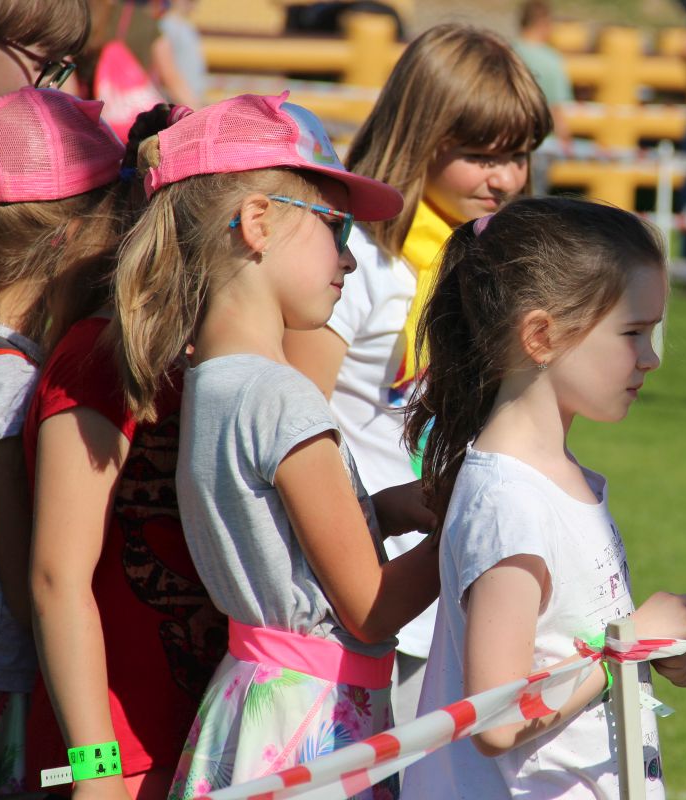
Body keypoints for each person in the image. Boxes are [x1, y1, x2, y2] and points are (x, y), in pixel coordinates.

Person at [108, 92, 438, 799]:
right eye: (336, 228)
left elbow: (279, 548)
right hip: (314, 727)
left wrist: (388, 510)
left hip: (254, 705)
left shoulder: (213, 380)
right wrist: (472, 522)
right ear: (257, 222)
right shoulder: (284, 397)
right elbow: (370, 608)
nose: (350, 260)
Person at [282, 23, 551, 730]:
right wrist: (380, 520)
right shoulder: (355, 263)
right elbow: (294, 421)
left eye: (519, 155)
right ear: (421, 136)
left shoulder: (485, 263)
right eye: (481, 155)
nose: (505, 178)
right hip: (367, 586)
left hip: (454, 577)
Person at [401, 197, 686, 799]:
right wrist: (628, 644)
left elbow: (564, 644)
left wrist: (653, 651)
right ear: (541, 335)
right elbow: (497, 718)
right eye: (633, 333)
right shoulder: (508, 501)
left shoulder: (560, 479)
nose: (651, 358)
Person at [23, 102, 228, 800]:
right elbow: (57, 577)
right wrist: (94, 771)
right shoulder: (101, 358)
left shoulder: (205, 361)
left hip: (193, 738)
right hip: (110, 758)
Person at [0, 86, 120, 797]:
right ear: (69, 238)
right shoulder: (9, 379)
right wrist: (98, 773)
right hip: (3, 685)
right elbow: (30, 585)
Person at [513, 0, 572, 146]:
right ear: (544, 23)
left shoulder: (507, 52)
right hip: (543, 140)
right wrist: (565, 140)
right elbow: (557, 109)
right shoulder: (551, 59)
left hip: (511, 136)